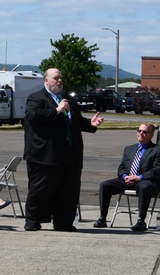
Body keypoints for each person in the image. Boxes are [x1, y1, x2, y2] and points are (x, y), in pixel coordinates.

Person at [23, 68, 104, 232]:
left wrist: (90, 124)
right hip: (45, 155)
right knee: (40, 189)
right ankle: (33, 221)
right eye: (55, 78)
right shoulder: (36, 98)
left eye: (61, 78)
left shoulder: (68, 99)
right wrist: (56, 110)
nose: (59, 81)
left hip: (69, 153)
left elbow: (76, 121)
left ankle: (63, 222)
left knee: (69, 190)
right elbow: (32, 116)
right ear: (46, 81)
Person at [94, 122, 160, 232]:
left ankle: (141, 220)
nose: (141, 133)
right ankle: (102, 218)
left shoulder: (158, 150)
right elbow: (121, 168)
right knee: (105, 185)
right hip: (127, 180)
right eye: (139, 130)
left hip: (146, 181)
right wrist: (125, 176)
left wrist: (139, 177)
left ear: (151, 135)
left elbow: (157, 170)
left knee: (144, 187)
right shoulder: (129, 149)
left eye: (144, 132)